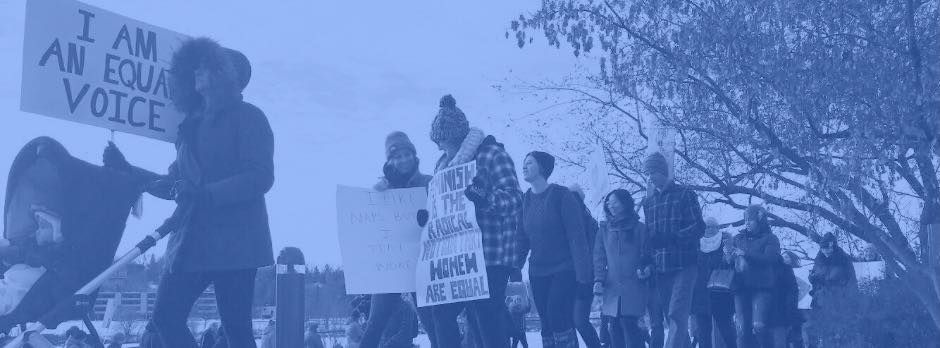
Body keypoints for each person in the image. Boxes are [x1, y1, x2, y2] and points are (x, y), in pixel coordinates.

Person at [103, 37, 273, 348]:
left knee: (237, 330)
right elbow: (174, 186)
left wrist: (206, 194)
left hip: (235, 244)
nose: (197, 71)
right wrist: (129, 171)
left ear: (223, 74)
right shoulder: (189, 128)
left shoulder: (250, 117)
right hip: (191, 241)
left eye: (206, 66)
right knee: (164, 319)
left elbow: (260, 177)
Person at [426, 95, 524, 348]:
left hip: (490, 256)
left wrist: (486, 198)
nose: (440, 148)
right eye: (438, 143)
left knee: (486, 320)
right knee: (441, 312)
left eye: (444, 142)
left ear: (458, 138)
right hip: (456, 259)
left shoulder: (492, 155)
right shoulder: (442, 167)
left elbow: (515, 199)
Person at [362, 132, 434, 348]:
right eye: (397, 156)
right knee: (375, 323)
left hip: (422, 264)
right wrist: (376, 195)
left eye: (407, 154)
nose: (403, 160)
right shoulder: (382, 190)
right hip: (390, 265)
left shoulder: (429, 183)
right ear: (389, 161)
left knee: (431, 322)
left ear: (414, 155)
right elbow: (368, 223)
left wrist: (427, 218)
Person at [516, 151, 591, 348]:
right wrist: (514, 267)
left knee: (557, 315)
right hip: (537, 271)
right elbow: (522, 239)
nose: (524, 166)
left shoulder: (561, 195)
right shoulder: (525, 201)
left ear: (542, 168)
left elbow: (577, 238)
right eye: (523, 163)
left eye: (529, 162)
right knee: (547, 323)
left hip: (564, 268)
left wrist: (584, 279)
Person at [641, 152, 706, 348]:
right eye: (647, 173)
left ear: (662, 170)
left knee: (677, 313)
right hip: (661, 267)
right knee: (673, 320)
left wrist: (673, 237)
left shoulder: (685, 193)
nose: (650, 177)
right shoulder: (648, 202)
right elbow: (649, 237)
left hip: (685, 264)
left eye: (652, 172)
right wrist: (645, 260)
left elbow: (698, 227)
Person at [594, 189, 651, 348]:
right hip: (611, 288)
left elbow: (647, 255)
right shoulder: (604, 230)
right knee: (614, 328)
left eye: (615, 202)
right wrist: (598, 280)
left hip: (634, 286)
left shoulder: (640, 229)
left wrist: (645, 269)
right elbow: (599, 258)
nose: (610, 205)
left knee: (630, 326)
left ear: (625, 203)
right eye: (609, 202)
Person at [730, 205, 781, 348]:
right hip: (740, 288)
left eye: (750, 220)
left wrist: (745, 254)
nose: (747, 222)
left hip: (762, 288)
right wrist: (728, 255)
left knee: (759, 326)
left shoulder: (771, 238)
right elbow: (728, 262)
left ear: (760, 221)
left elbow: (770, 258)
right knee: (742, 330)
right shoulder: (738, 238)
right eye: (745, 219)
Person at [690, 218, 736, 348]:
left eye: (712, 227)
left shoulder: (725, 242)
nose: (708, 229)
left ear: (717, 228)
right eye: (706, 227)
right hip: (700, 292)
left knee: (727, 329)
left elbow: (731, 263)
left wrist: (728, 254)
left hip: (721, 292)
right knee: (703, 333)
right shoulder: (696, 244)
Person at [569, 184, 603, 348]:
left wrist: (592, 278)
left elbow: (595, 253)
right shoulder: (564, 222)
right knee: (568, 322)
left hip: (585, 278)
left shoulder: (589, 223)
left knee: (579, 320)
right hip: (566, 276)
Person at [808, 232, 858, 309]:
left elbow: (852, 280)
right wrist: (812, 278)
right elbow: (815, 277)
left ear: (833, 248)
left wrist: (850, 300)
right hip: (820, 300)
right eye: (823, 249)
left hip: (838, 300)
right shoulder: (818, 260)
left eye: (828, 249)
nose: (826, 252)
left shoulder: (843, 259)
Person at [769, 251, 805, 348]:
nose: (784, 259)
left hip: (799, 311)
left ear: (792, 259)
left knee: (797, 338)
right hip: (782, 310)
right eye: (783, 257)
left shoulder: (803, 273)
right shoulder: (777, 273)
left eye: (787, 257)